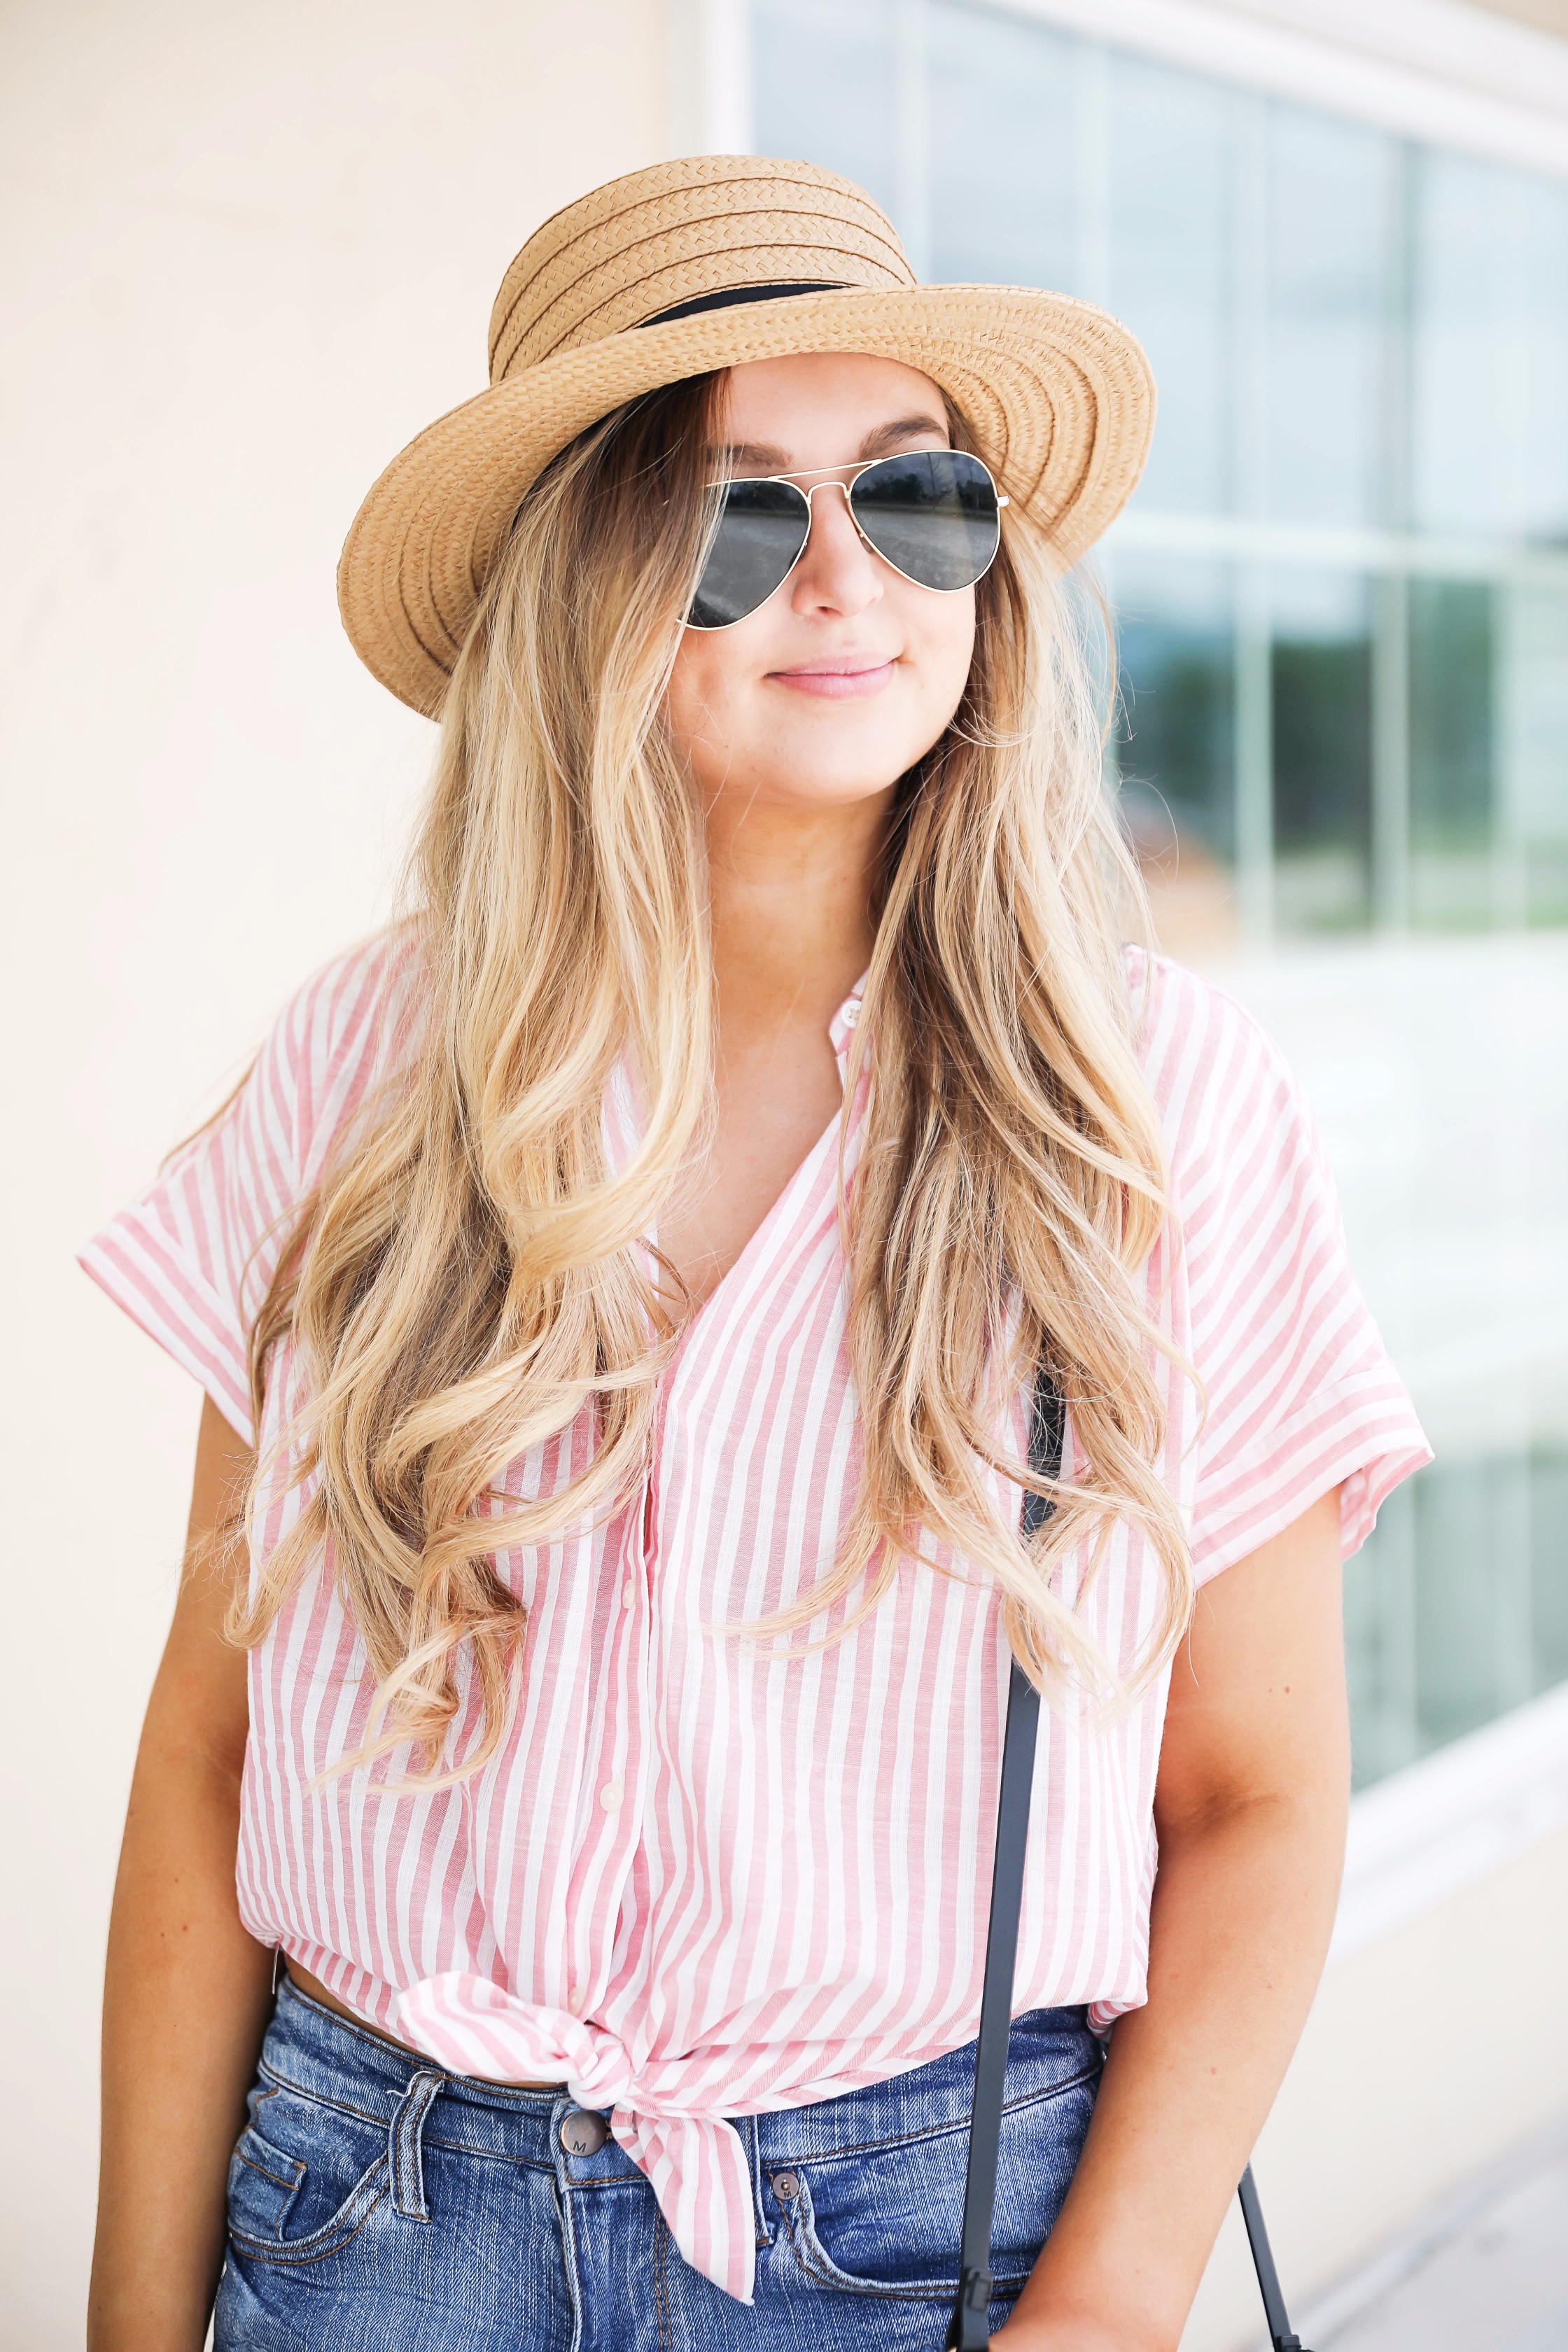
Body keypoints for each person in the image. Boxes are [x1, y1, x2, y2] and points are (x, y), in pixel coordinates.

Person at [83, 157, 1429, 2352]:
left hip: (918, 2243)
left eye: (919, 502)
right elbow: (208, 1751)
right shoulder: (363, 1073)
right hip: (367, 2222)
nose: (846, 583)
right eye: (731, 520)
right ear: (583, 592)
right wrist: (129, 2321)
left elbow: (1253, 1794)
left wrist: (1109, 2310)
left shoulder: (1154, 1114)